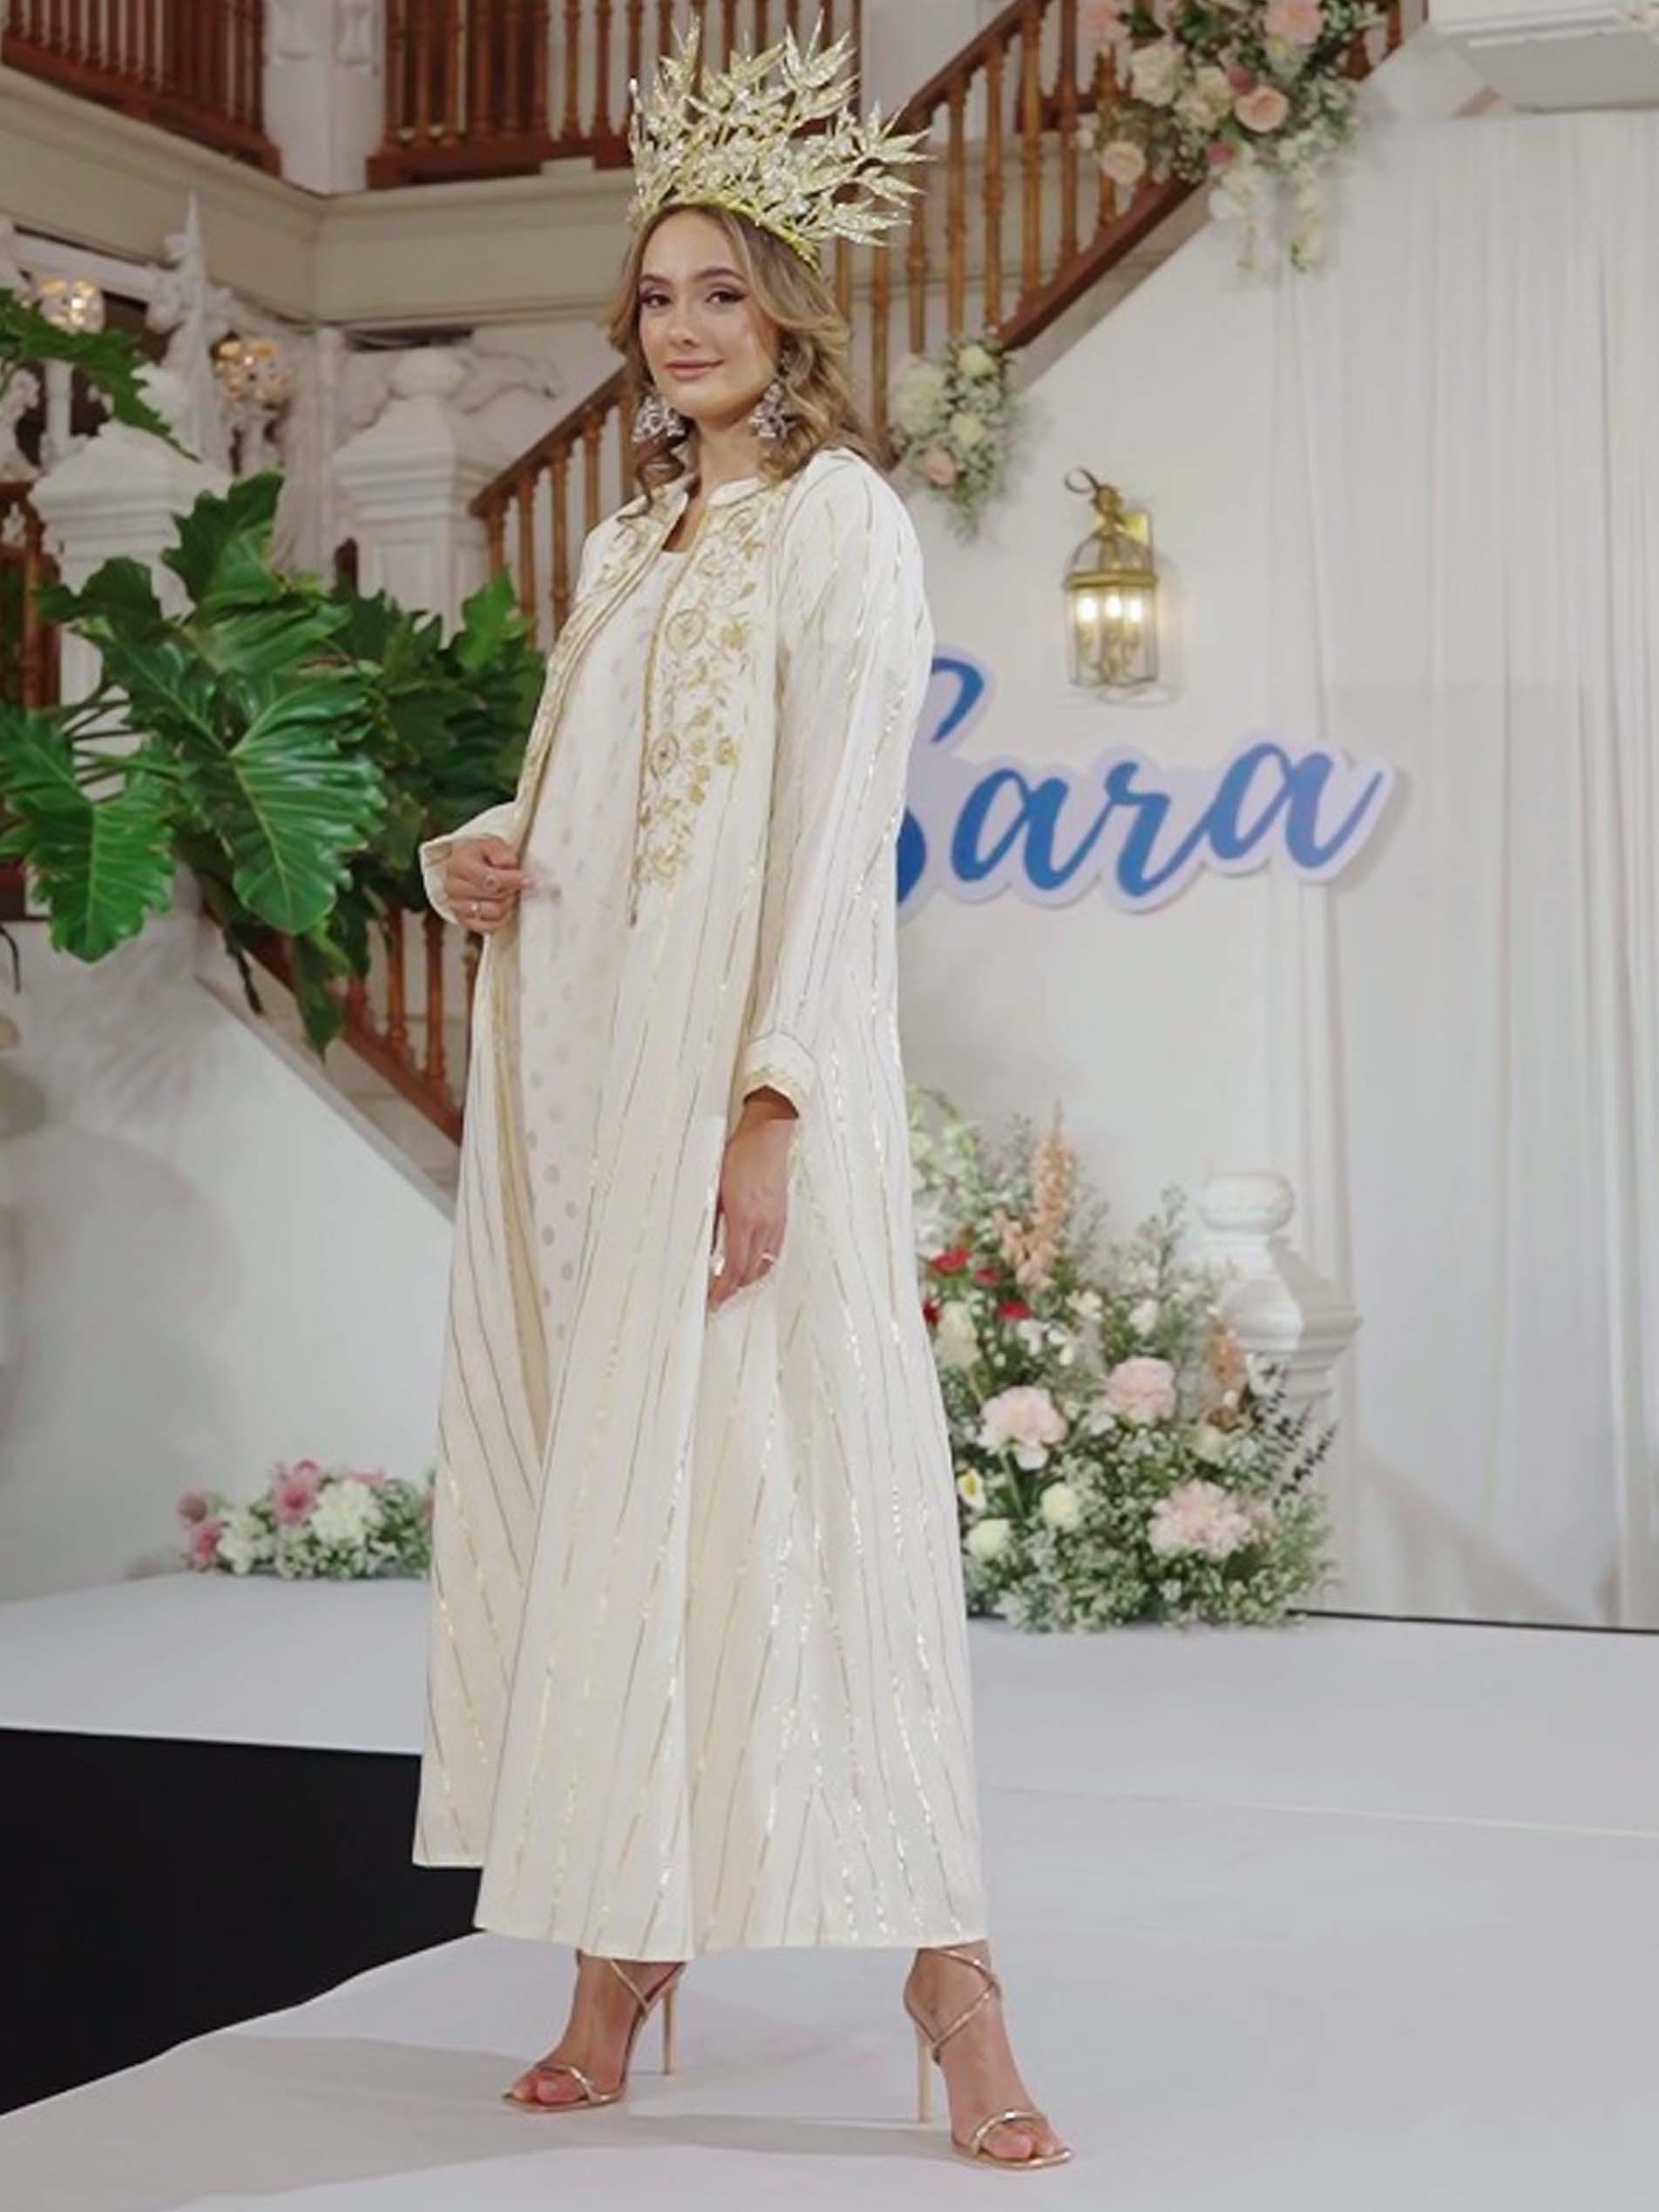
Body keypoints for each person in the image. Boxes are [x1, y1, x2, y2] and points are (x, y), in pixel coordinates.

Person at [411, 22, 1070, 2173]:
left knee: (813, 1496)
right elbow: (592, 805)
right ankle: (622, 1946)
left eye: (719, 292)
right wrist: (478, 855)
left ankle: (950, 1977)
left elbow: (835, 829)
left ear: (786, 313)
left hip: (745, 1085)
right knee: (623, 1502)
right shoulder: (622, 549)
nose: (682, 327)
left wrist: (773, 1096)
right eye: (655, 296)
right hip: (590, 1089)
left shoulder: (837, 525)